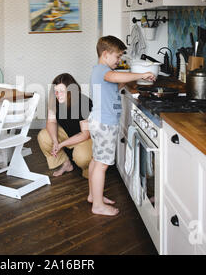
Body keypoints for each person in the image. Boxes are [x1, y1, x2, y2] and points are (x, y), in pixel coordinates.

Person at [88, 36, 156, 216]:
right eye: (117, 57)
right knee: (102, 165)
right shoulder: (104, 70)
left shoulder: (99, 71)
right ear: (105, 54)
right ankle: (98, 206)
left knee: (96, 160)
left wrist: (124, 81)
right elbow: (114, 76)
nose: (119, 61)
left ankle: (93, 196)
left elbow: (113, 87)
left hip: (97, 120)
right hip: (105, 124)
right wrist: (141, 74)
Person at [37, 73, 93, 179]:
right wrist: (55, 141)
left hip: (87, 138)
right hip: (69, 134)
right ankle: (66, 163)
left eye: (62, 91)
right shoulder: (55, 100)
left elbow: (85, 134)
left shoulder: (84, 102)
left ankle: (88, 168)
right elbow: (51, 122)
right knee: (43, 136)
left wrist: (61, 144)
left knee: (82, 157)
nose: (58, 95)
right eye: (56, 91)